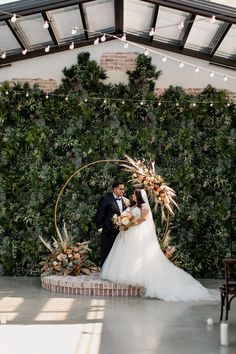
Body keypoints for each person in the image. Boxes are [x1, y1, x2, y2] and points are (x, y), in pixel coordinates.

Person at [101, 189, 218, 302]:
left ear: (138, 196)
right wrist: (123, 221)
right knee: (126, 253)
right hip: (128, 233)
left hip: (136, 232)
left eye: (134, 194)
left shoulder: (144, 206)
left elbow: (142, 219)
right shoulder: (133, 206)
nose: (132, 195)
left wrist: (129, 224)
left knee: (135, 253)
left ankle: (136, 275)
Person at [96, 181, 130, 266]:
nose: (122, 191)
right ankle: (104, 270)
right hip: (108, 231)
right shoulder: (106, 199)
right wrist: (100, 228)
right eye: (120, 189)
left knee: (117, 253)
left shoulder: (125, 200)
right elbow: (100, 214)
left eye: (123, 189)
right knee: (106, 251)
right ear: (114, 189)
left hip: (120, 232)